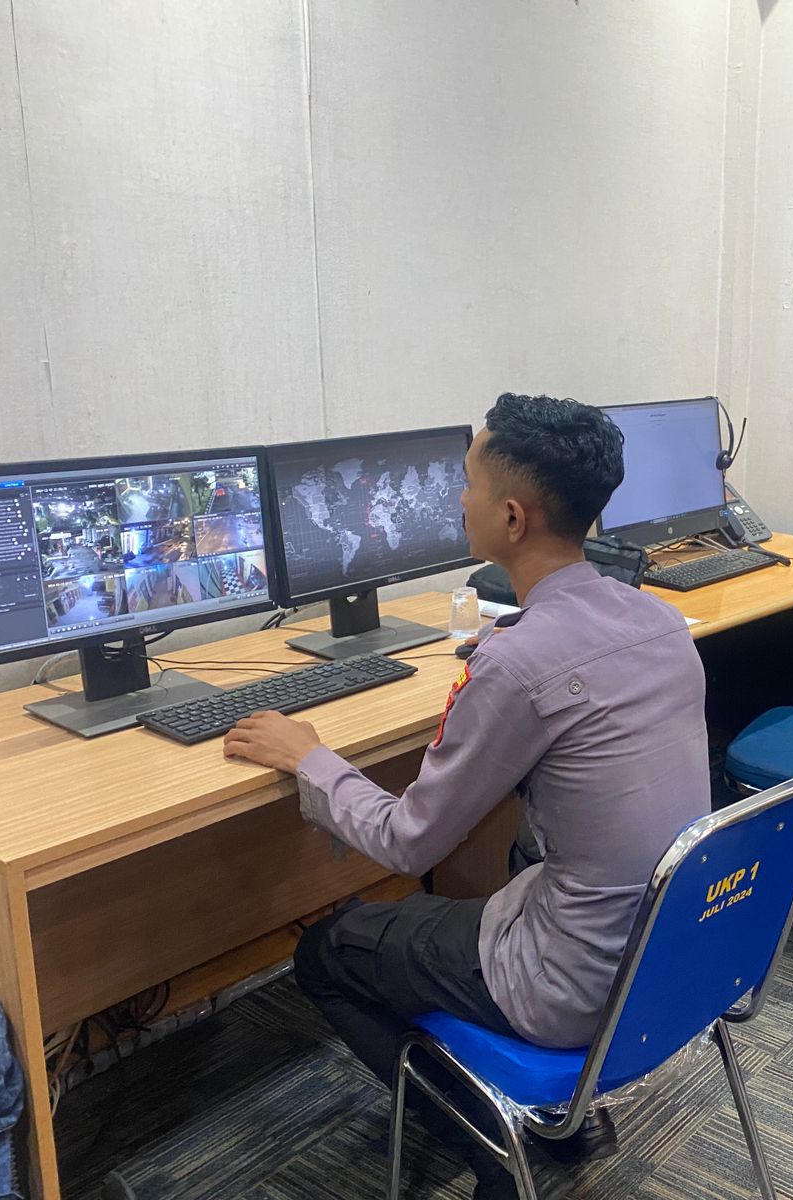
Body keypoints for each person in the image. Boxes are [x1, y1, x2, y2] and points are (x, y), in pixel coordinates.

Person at [223, 394, 710, 1198]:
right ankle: (569, 1123)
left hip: (573, 984)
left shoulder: (518, 664)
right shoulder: (660, 622)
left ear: (511, 518)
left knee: (328, 950)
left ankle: (492, 1146)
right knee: (499, 865)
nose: (457, 498)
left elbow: (409, 841)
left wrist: (310, 757)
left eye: (468, 482)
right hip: (673, 957)